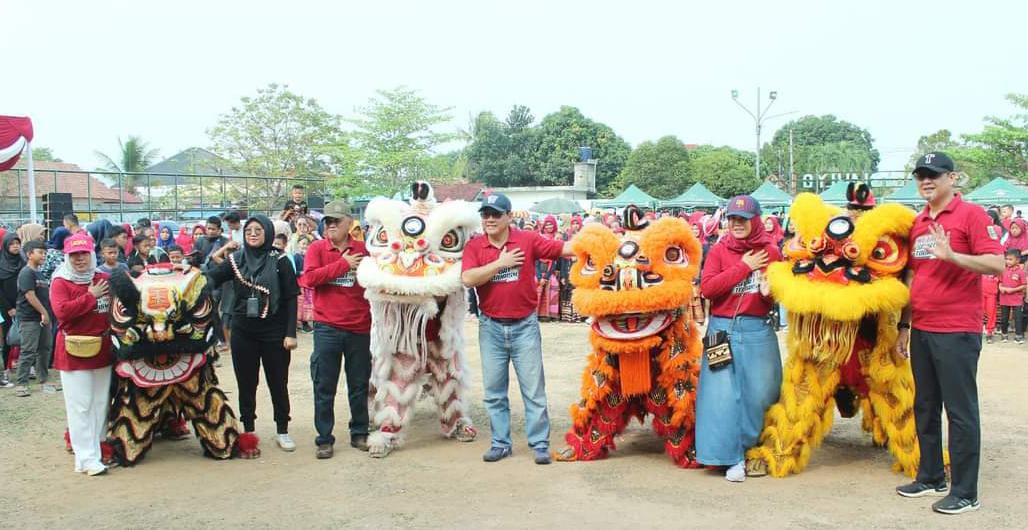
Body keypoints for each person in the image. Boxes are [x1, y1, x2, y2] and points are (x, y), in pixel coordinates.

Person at [895, 152, 1004, 515]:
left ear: (952, 179)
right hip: (922, 327)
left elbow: (997, 263)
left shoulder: (972, 215)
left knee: (960, 411)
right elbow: (913, 277)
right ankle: (930, 476)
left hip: (957, 329)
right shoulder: (919, 221)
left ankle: (965, 491)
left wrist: (954, 256)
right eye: (921, 175)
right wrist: (904, 325)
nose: (926, 181)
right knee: (925, 405)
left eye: (934, 175)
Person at [461, 193, 574, 464]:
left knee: (534, 390)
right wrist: (501, 263)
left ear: (509, 216)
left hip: (524, 325)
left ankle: (539, 444)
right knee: (494, 391)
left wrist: (605, 240)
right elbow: (468, 279)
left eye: (495, 214)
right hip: (491, 327)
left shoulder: (527, 240)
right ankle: (501, 443)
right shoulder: (475, 246)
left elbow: (563, 249)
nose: (489, 219)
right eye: (485, 214)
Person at [697, 195, 783, 483]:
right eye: (732, 218)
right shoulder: (719, 251)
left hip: (757, 330)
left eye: (743, 219)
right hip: (720, 332)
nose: (736, 224)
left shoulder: (771, 252)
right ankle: (728, 457)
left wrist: (769, 293)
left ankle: (750, 450)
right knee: (719, 395)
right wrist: (743, 267)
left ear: (755, 221)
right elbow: (708, 289)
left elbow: (779, 295)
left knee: (761, 393)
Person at [207, 214, 299, 452]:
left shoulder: (280, 261)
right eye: (249, 231)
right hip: (243, 331)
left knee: (278, 383)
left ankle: (282, 429)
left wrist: (291, 334)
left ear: (268, 233)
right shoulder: (236, 260)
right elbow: (211, 278)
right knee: (246, 383)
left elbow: (291, 299)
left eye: (259, 230)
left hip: (275, 332)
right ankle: (248, 430)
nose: (253, 234)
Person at [299, 201, 372, 459]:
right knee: (324, 385)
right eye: (327, 221)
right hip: (327, 328)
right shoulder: (318, 248)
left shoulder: (364, 250)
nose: (330, 225)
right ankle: (324, 439)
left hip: (360, 328)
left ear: (349, 224)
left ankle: (360, 432)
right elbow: (308, 279)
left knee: (359, 385)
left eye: (335, 221)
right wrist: (343, 264)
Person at [51, 231, 113, 476]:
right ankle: (86, 458)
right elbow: (62, 312)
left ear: (91, 254)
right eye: (74, 255)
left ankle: (93, 454)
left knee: (99, 404)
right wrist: (90, 297)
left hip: (102, 350)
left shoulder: (103, 278)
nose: (80, 260)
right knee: (80, 406)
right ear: (67, 257)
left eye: (84, 254)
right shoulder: (60, 282)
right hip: (73, 352)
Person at [14, 240, 55, 396]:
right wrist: (43, 312)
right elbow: (29, 295)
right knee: (28, 351)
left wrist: (47, 314)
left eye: (45, 253)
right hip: (30, 318)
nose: (43, 255)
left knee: (45, 349)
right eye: (40, 252)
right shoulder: (26, 273)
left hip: (43, 317)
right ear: (30, 254)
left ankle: (43, 379)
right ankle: (22, 383)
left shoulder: (39, 273)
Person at [0, 231, 25, 387]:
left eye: (17, 243)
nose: (15, 247)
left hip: (23, 304)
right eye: (12, 244)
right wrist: (8, 307)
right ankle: (6, 369)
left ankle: (24, 367)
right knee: (9, 338)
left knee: (25, 337)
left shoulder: (22, 261)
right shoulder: (1, 263)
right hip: (6, 307)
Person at [535, 215, 563, 321]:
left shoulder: (557, 237)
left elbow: (556, 258)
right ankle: (536, 314)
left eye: (551, 224)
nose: (549, 226)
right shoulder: (540, 237)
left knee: (554, 284)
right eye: (547, 224)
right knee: (536, 284)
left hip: (551, 269)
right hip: (539, 268)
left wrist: (547, 276)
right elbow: (536, 257)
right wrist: (539, 276)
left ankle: (549, 314)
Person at [997, 249, 1026, 343]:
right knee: (1004, 318)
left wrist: (1012, 290)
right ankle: (1004, 334)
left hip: (1017, 299)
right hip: (1004, 299)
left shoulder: (1021, 272)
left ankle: (1018, 335)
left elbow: (1024, 285)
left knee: (1018, 318)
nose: (1007, 261)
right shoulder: (1003, 270)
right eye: (1006, 259)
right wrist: (1000, 287)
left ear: (1017, 260)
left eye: (1010, 259)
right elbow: (1000, 282)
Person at [982, 268, 999, 344]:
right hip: (980, 293)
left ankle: (990, 332)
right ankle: (975, 330)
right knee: (977, 313)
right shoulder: (979, 267)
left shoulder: (996, 268)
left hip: (991, 294)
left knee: (991, 313)